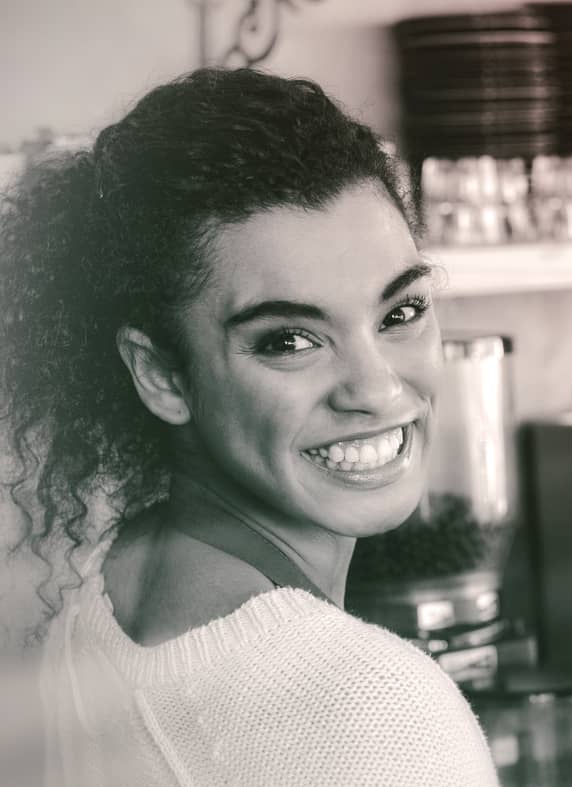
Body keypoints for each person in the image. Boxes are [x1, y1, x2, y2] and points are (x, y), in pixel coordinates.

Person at [0, 68, 498, 785]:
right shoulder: (374, 708)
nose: (378, 387)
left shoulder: (105, 592)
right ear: (161, 374)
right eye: (289, 340)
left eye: (400, 312)